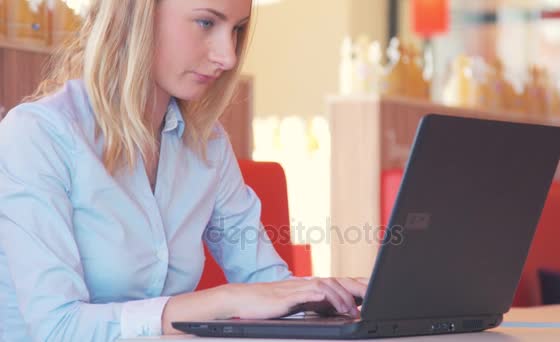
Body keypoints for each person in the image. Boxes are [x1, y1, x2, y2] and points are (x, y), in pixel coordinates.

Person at [0, 1, 368, 341]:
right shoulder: (38, 135)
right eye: (206, 22)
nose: (228, 56)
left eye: (237, 29)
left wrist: (325, 298)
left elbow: (267, 282)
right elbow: (57, 328)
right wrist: (227, 301)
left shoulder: (206, 144)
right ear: (137, 16)